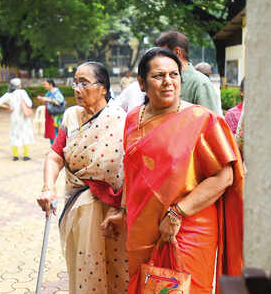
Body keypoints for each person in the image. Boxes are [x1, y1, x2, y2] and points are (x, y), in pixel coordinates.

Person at [118, 48, 244, 293]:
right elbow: (133, 171)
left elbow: (225, 176)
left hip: (187, 228)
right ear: (142, 84)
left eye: (174, 75)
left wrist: (176, 214)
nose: (168, 82)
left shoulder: (201, 120)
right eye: (158, 76)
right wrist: (122, 210)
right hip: (142, 228)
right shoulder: (133, 118)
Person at [37, 62, 128, 293]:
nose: (77, 89)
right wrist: (48, 187)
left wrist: (123, 208)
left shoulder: (121, 120)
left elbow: (133, 170)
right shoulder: (71, 117)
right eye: (75, 83)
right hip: (78, 209)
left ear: (104, 88)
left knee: (117, 270)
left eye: (84, 83)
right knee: (84, 270)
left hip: (114, 214)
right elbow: (55, 155)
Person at [155, 31, 221, 115]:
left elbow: (210, 122)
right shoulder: (164, 81)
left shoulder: (200, 83)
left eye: (162, 54)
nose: (158, 58)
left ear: (177, 52)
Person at [0, 78, 34, 161]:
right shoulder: (22, 92)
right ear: (19, 85)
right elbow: (29, 104)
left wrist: (8, 107)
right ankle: (25, 156)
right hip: (23, 118)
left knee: (14, 135)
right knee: (25, 135)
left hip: (14, 118)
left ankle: (15, 156)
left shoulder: (8, 94)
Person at [37, 79, 65, 144]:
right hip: (50, 114)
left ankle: (56, 148)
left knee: (55, 131)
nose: (44, 86)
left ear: (51, 85)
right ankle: (53, 147)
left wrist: (47, 99)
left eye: (45, 84)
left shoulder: (56, 92)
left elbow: (60, 101)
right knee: (51, 132)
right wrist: (43, 99)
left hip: (56, 115)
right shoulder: (49, 92)